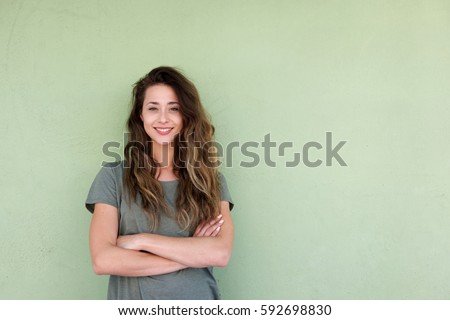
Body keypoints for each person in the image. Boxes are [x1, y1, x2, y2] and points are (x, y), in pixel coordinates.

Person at [85, 66, 234, 299]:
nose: (163, 118)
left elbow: (220, 254)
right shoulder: (113, 177)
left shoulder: (210, 181)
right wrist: (192, 251)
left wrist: (141, 241)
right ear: (140, 115)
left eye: (174, 108)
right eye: (153, 108)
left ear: (186, 115)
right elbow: (103, 260)